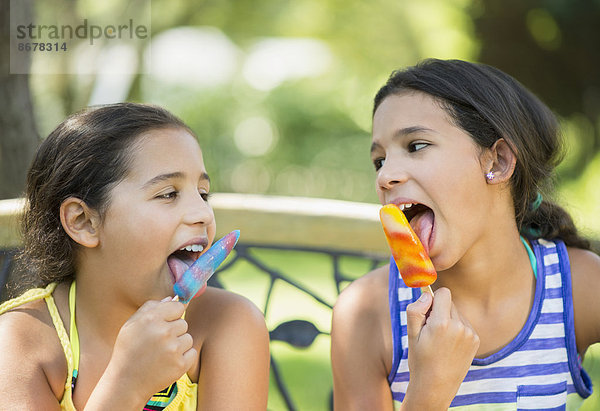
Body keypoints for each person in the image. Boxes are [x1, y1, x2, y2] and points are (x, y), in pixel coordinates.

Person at [331, 59, 600, 410]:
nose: (385, 177)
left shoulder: (578, 286)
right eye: (379, 160)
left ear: (497, 161)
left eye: (415, 145)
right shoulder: (366, 313)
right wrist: (428, 391)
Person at [0, 103, 270, 410]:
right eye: (168, 193)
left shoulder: (227, 324)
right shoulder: (20, 343)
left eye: (203, 193)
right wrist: (125, 387)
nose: (203, 214)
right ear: (83, 221)